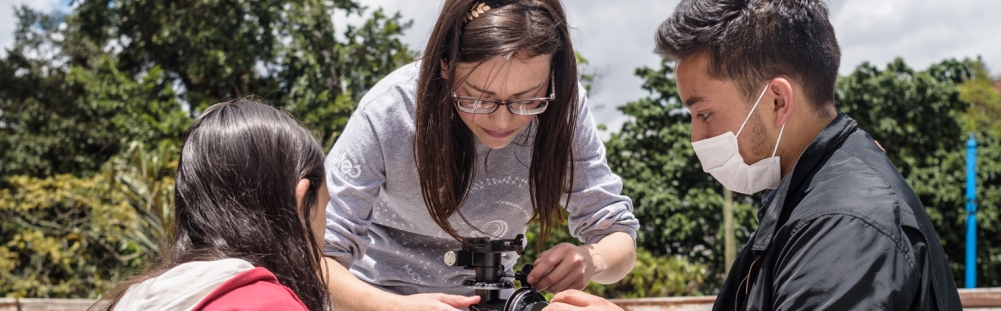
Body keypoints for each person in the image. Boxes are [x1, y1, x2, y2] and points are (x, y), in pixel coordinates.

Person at [546, 0, 964, 310]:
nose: (696, 135)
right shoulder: (813, 195)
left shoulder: (844, 228)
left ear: (778, 100)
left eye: (704, 113)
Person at [322, 0, 640, 310]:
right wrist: (391, 306)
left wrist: (593, 258)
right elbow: (314, 258)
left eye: (527, 100)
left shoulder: (563, 107)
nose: (502, 122)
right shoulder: (390, 110)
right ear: (445, 64)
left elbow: (617, 235)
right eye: (478, 99)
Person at [92, 98, 331, 311]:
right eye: (326, 207)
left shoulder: (131, 300)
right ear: (300, 201)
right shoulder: (268, 304)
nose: (327, 227)